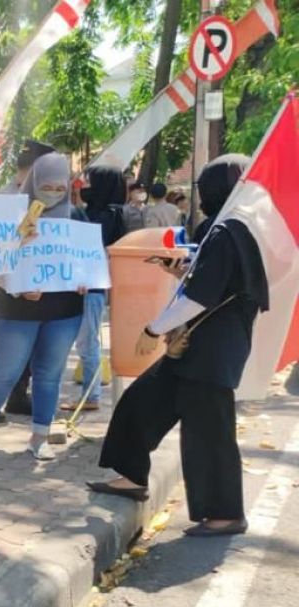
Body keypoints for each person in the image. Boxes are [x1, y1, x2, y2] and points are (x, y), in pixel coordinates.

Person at [88, 155, 262, 537]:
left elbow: (202, 296)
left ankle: (226, 515)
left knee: (209, 434)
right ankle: (132, 477)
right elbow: (217, 280)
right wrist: (182, 269)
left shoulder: (229, 230)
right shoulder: (225, 227)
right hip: (198, 346)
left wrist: (153, 330)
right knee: (142, 403)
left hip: (213, 350)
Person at [0, 153, 86, 462]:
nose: (52, 193)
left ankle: (40, 437)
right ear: (33, 183)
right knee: (3, 373)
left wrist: (85, 279)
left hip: (65, 309)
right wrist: (16, 285)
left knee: (49, 374)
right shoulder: (14, 214)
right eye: (46, 186)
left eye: (59, 187)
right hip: (18, 308)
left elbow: (88, 258)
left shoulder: (77, 216)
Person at [61, 165, 129, 411]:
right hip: (83, 286)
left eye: (89, 182)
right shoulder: (101, 212)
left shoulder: (107, 216)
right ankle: (90, 394)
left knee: (87, 343)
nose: (84, 186)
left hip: (90, 288)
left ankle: (91, 396)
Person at [0, 140, 57, 418]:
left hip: (38, 284)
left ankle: (18, 397)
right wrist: (15, 287)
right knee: (1, 352)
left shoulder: (46, 200)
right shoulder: (5, 201)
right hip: (6, 287)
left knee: (29, 348)